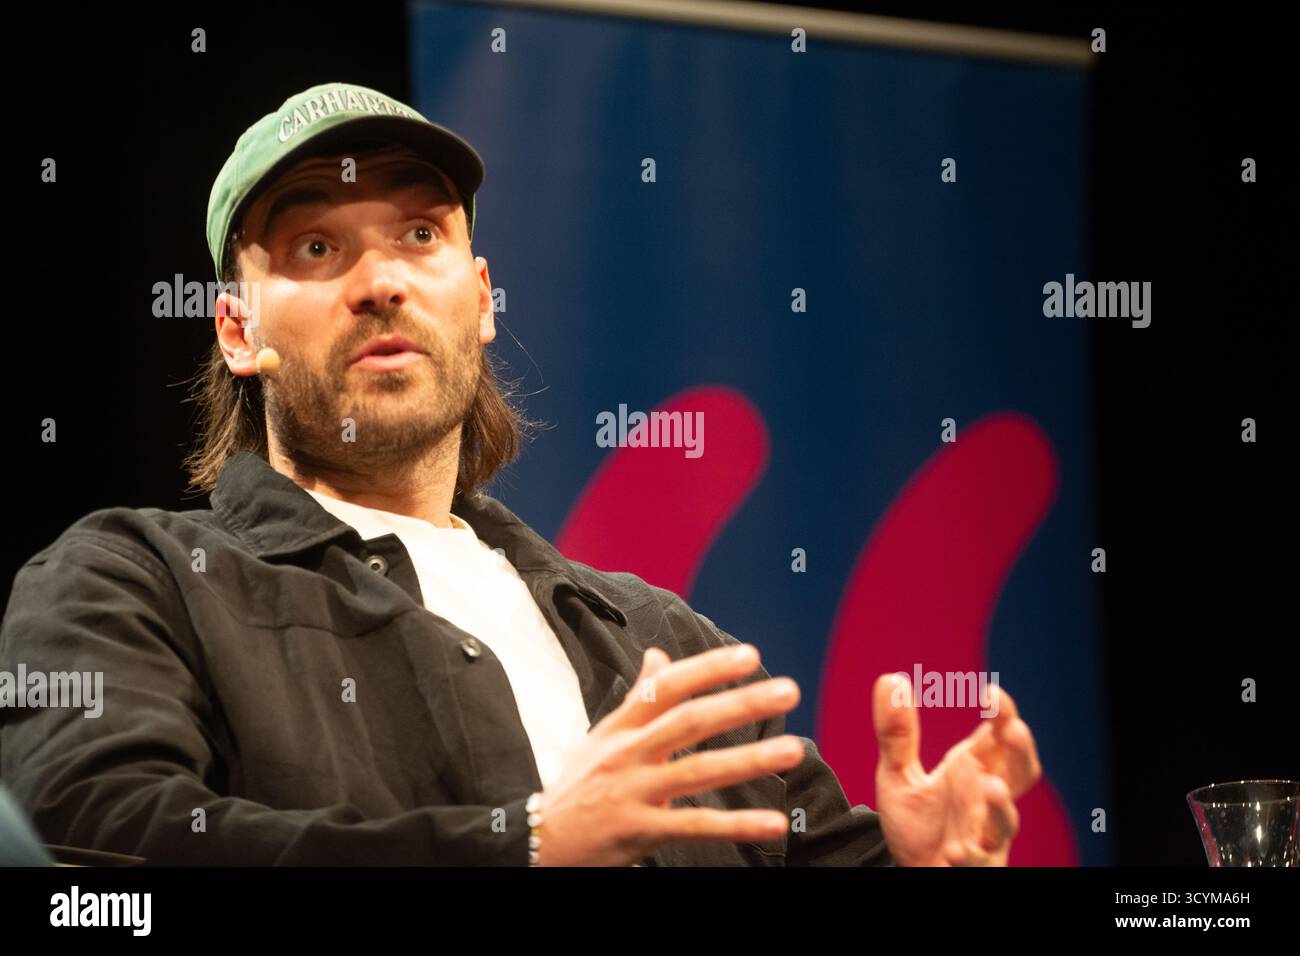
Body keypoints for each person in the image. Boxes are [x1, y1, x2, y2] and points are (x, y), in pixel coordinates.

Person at [0, 83, 1040, 866]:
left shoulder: (663, 645)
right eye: (317, 243)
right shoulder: (131, 581)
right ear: (236, 328)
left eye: (420, 232)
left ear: (483, 296)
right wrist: (525, 840)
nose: (381, 282)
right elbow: (94, 853)